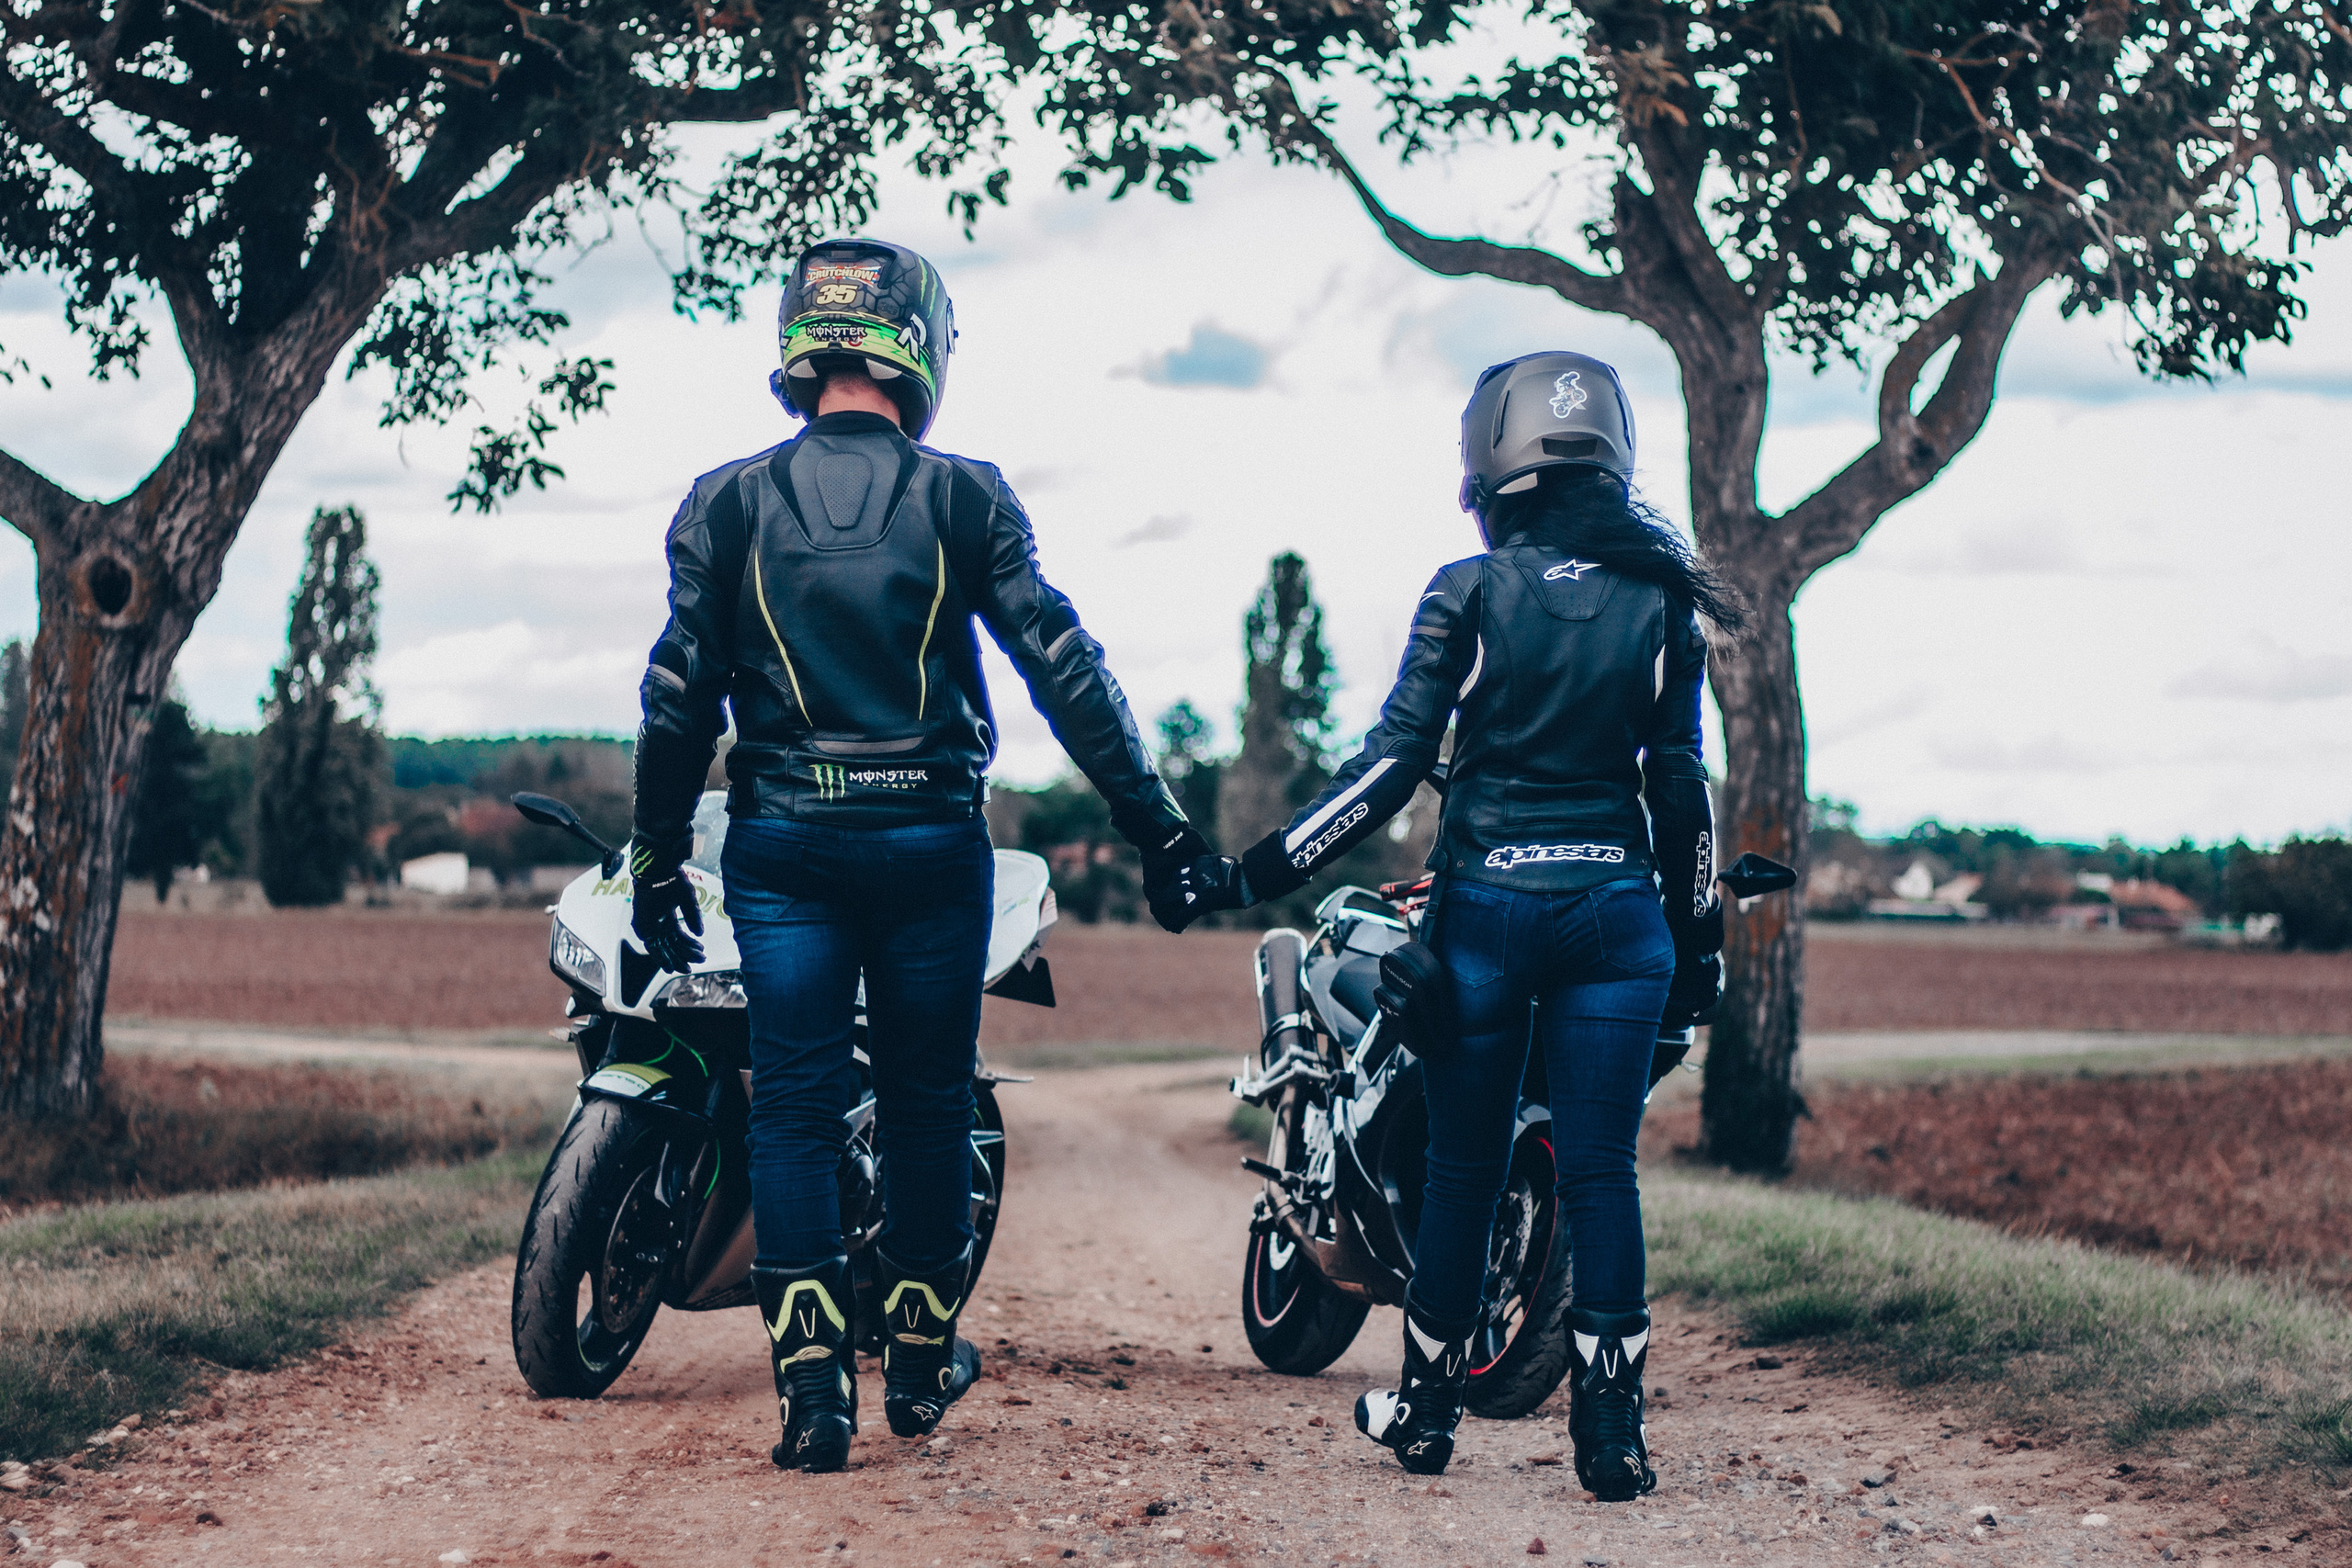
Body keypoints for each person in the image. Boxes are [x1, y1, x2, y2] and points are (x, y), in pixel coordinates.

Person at [629, 238, 1205, 1473]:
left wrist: (658, 857)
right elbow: (1067, 670)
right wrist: (1157, 826)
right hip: (932, 842)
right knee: (930, 1100)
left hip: (782, 844)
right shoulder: (966, 496)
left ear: (801, 345)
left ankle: (812, 1393)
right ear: (923, 345)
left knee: (790, 1105)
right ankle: (923, 1355)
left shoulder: (724, 500)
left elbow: (678, 696)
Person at [1151, 352, 1745, 1497]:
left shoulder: (1467, 593)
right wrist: (1702, 940)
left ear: (1490, 455)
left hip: (1487, 917)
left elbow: (1382, 778)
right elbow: (1682, 793)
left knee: (1466, 1169)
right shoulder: (1665, 605)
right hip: (1619, 920)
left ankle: (1423, 1415)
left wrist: (1243, 875)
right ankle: (1612, 1437)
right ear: (1612, 452)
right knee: (1603, 1175)